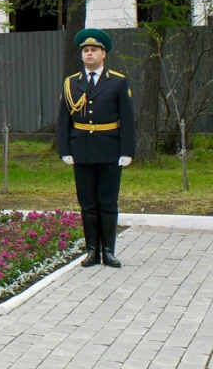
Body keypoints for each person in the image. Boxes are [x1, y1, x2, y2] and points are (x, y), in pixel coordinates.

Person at [57, 28, 135, 268]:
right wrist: (65, 150)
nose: (89, 54)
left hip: (109, 150)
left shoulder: (118, 82)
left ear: (104, 54)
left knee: (108, 203)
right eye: (85, 50)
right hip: (83, 151)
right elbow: (63, 121)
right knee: (88, 204)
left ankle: (108, 251)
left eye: (94, 50)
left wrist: (127, 151)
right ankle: (92, 251)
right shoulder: (71, 83)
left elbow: (127, 119)